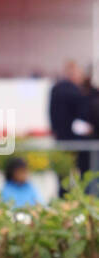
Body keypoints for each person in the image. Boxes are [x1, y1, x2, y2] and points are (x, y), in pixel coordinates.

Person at [50, 61, 91, 193]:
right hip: (77, 142)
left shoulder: (55, 90)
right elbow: (81, 119)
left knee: (63, 178)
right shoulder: (76, 92)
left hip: (61, 141)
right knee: (82, 177)